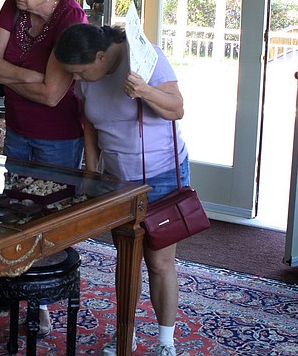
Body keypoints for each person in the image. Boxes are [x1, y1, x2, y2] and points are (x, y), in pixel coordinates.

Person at [54, 23, 188, 356]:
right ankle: (126, 333)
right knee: (127, 258)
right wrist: (91, 172)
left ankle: (166, 342)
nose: (76, 79)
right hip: (117, 182)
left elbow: (177, 108)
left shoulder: (145, 57)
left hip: (160, 174)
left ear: (101, 57)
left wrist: (145, 91)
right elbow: (90, 123)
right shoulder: (88, 78)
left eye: (81, 72)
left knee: (158, 261)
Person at [0, 0, 87, 336]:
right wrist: (30, 77)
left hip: (58, 135)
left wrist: (11, 76)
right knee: (15, 210)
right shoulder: (14, 5)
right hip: (19, 127)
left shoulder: (71, 18)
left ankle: (40, 305)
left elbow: (54, 95)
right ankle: (9, 286)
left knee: (49, 217)